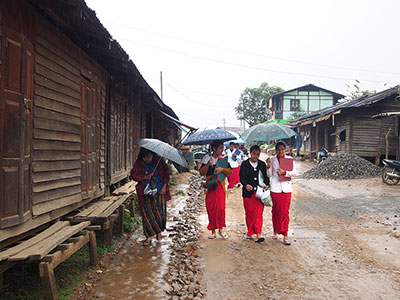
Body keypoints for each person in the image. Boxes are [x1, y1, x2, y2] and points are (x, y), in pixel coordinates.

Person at [130, 148, 171, 246]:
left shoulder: (159, 161)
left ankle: (158, 232)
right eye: (145, 157)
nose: (147, 159)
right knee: (147, 214)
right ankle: (148, 237)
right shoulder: (139, 163)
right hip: (145, 193)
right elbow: (133, 175)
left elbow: (166, 173)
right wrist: (145, 177)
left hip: (159, 190)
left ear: (152, 155)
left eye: (149, 157)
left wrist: (165, 186)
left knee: (159, 213)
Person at [199, 140, 233, 239]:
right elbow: (201, 172)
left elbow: (230, 171)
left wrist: (222, 169)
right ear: (214, 149)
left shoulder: (223, 159)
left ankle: (221, 228)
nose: (222, 150)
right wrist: (208, 165)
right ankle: (213, 230)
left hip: (220, 186)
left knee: (221, 208)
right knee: (211, 208)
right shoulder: (206, 158)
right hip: (211, 187)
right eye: (220, 148)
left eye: (222, 148)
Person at [266, 141, 297, 245]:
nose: (280, 151)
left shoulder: (289, 159)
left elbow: (295, 173)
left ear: (285, 149)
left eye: (282, 149)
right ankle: (275, 230)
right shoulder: (272, 159)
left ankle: (285, 234)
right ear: (275, 150)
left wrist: (285, 172)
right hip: (275, 188)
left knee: (285, 212)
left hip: (286, 189)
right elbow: (269, 175)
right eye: (278, 149)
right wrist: (268, 166)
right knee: (276, 211)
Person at [239, 145, 269, 243]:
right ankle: (250, 232)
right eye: (254, 154)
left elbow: (266, 177)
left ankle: (258, 233)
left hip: (259, 193)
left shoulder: (262, 164)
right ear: (250, 153)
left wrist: (267, 185)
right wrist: (246, 184)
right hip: (248, 193)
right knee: (249, 212)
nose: (255, 156)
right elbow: (241, 177)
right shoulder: (244, 164)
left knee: (258, 213)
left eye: (257, 154)